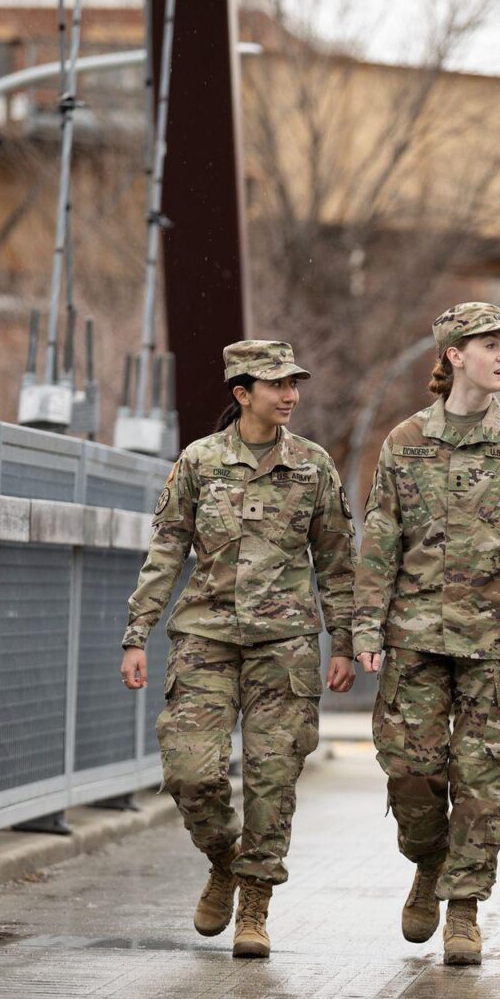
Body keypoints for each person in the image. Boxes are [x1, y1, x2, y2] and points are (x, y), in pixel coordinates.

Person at [354, 301, 500, 966]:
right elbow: (381, 542)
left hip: (499, 640)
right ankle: (427, 861)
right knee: (411, 775)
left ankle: (463, 910)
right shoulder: (405, 442)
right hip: (416, 638)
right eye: (488, 343)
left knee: (481, 781)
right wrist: (366, 623)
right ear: (454, 355)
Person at [119, 339, 355, 960]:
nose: (289, 395)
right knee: (190, 772)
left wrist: (346, 644)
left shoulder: (313, 466)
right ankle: (225, 859)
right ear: (241, 394)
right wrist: (137, 633)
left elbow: (336, 561)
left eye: (293, 383)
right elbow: (166, 550)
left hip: (286, 645)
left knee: (274, 779)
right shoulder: (198, 463)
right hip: (205, 638)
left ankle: (254, 904)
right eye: (276, 385)